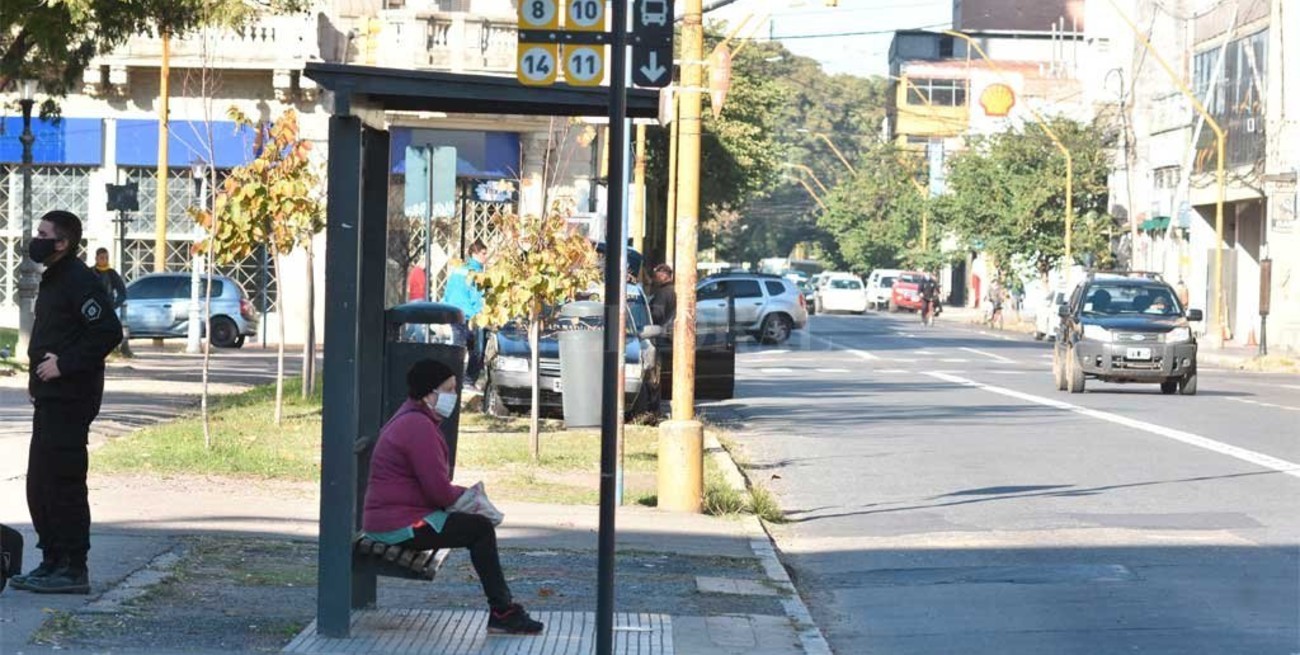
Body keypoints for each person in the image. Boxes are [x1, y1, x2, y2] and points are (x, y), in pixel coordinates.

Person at [362, 359, 544, 635]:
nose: (454, 396)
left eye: (455, 388)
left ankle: (502, 610)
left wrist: (465, 498)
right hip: (399, 525)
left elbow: (434, 488)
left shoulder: (411, 417)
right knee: (480, 530)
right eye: (448, 389)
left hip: (393, 519)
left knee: (476, 527)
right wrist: (470, 499)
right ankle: (503, 611)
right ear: (428, 394)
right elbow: (439, 492)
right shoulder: (418, 427)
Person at [11, 211, 122, 595]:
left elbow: (108, 331)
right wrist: (36, 380)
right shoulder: (54, 278)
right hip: (50, 398)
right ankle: (52, 560)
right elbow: (50, 335)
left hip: (71, 397)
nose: (35, 239)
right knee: (41, 484)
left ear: (63, 242)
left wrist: (64, 366)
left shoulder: (78, 279)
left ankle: (74, 568)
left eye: (44, 234)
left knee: (63, 482)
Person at [441, 241, 487, 386]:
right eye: (483, 254)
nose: (486, 257)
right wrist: (481, 314)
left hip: (455, 313)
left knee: (458, 348)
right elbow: (477, 297)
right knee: (476, 350)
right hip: (472, 315)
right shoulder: (476, 273)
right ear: (474, 254)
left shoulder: (457, 270)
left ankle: (454, 378)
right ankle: (468, 380)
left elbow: (448, 291)